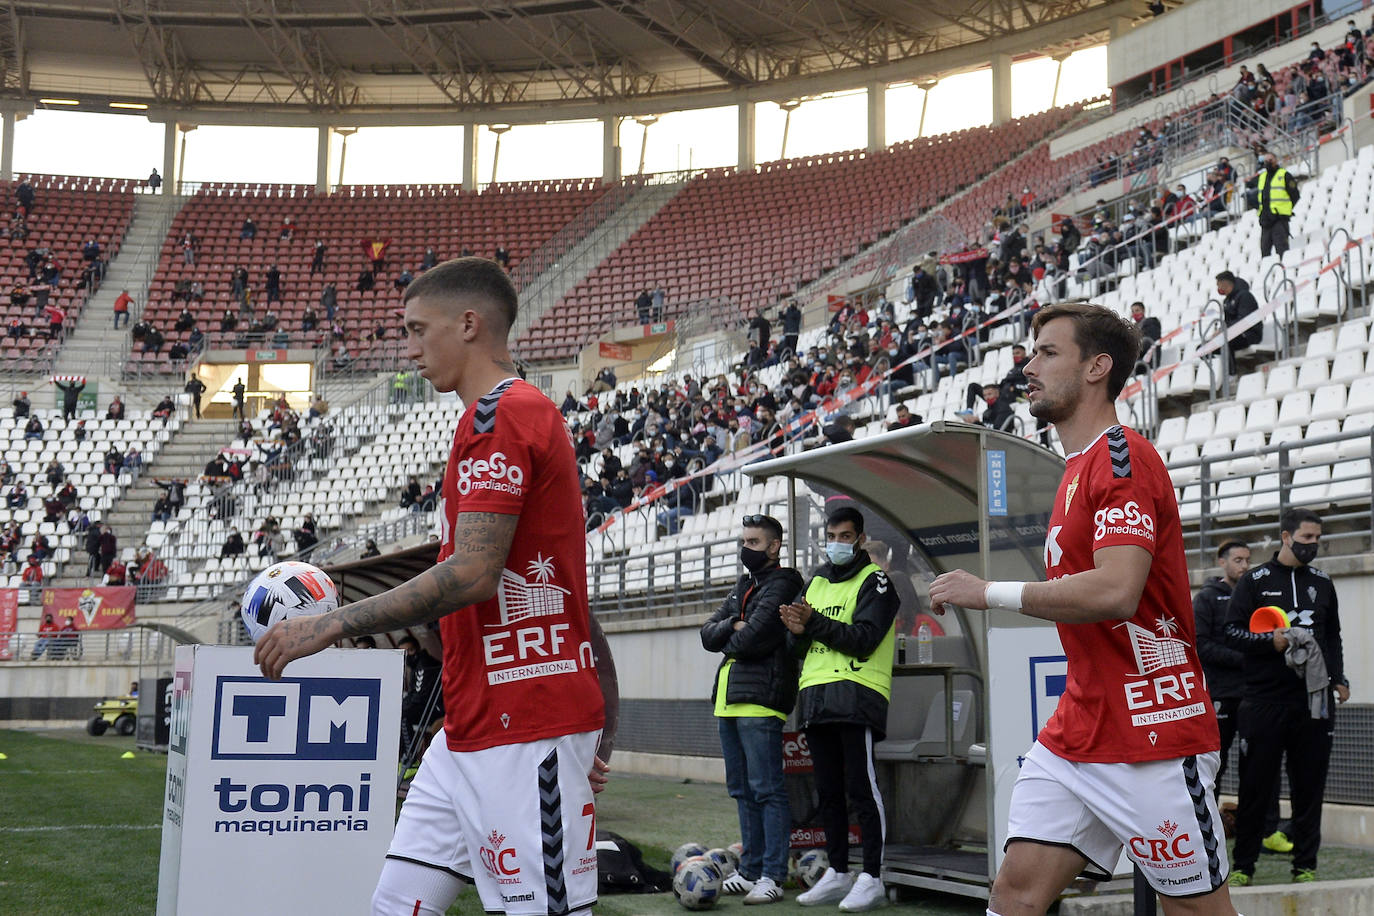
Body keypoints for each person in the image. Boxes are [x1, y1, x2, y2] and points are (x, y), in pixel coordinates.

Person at [253, 257, 607, 916]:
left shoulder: (503, 416)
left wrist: (329, 623)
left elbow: (472, 573)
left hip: (525, 723)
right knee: (396, 905)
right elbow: (566, 591)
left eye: (418, 330)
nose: (409, 349)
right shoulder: (499, 416)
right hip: (473, 724)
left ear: (468, 325)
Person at [929, 302, 1236, 915]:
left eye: (1048, 353)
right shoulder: (1077, 467)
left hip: (1151, 733)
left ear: (1097, 367)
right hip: (1078, 729)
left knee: (1195, 911)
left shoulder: (1124, 458)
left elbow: (1116, 590)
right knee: (1015, 895)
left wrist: (987, 592)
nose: (1028, 367)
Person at [779, 507, 899, 912]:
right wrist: (797, 631)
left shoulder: (876, 581)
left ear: (860, 539)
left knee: (862, 789)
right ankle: (839, 871)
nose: (837, 544)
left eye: (845, 536)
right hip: (816, 696)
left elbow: (864, 638)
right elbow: (798, 645)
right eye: (831, 536)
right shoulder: (814, 581)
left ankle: (873, 876)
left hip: (857, 693)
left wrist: (812, 624)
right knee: (828, 791)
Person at [1223, 508, 1346, 887]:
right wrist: (1268, 641)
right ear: (1286, 537)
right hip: (1263, 701)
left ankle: (1305, 865)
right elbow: (1231, 632)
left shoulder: (1322, 582)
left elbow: (1332, 637)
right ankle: (1243, 866)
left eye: (1317, 538)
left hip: (1313, 702)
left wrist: (1339, 678)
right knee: (1255, 787)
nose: (1313, 544)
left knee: (1309, 787)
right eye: (1307, 538)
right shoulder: (1255, 581)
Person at [699, 515, 803, 905]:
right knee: (742, 790)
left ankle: (772, 875)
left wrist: (734, 632)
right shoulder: (745, 584)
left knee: (767, 790)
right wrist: (733, 624)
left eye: (754, 542)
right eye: (744, 541)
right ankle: (749, 870)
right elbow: (707, 634)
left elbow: (754, 639)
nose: (747, 548)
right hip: (728, 699)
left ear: (774, 546)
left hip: (761, 701)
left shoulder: (784, 583)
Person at [1193, 541, 1251, 799]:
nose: (1244, 565)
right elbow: (1200, 644)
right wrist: (1244, 659)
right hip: (1219, 693)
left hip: (1251, 694)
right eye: (1238, 560)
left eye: (1247, 560)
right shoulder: (1207, 598)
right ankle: (1209, 819)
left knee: (1256, 763)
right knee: (1216, 763)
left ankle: (1254, 822)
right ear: (1222, 562)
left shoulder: (1252, 595)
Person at [1215, 271, 1262, 374]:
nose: (1218, 288)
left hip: (1250, 334)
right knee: (1204, 348)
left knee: (1225, 340)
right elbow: (1227, 322)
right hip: (1234, 335)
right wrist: (1220, 330)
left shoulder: (1245, 296)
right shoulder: (1227, 301)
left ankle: (1231, 374)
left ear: (1225, 284)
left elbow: (1245, 320)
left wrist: (1224, 329)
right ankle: (1216, 375)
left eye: (1219, 285)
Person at [1256, 151, 1299, 258]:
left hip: (1279, 219)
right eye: (1266, 161)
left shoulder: (1284, 175)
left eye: (1270, 160)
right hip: (1266, 220)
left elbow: (1295, 195)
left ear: (1276, 160)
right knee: (1264, 251)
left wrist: (1286, 209)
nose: (1268, 163)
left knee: (1282, 249)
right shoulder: (1262, 177)